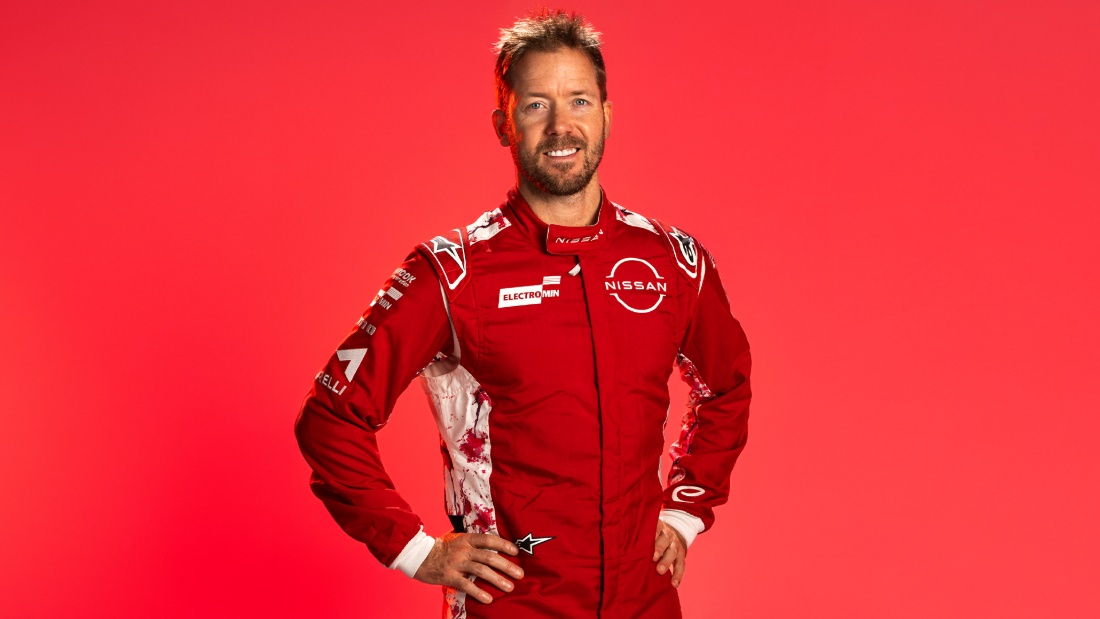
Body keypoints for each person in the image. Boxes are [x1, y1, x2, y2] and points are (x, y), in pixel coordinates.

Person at [294, 9, 752, 618]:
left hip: (645, 603)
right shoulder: (451, 272)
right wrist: (413, 550)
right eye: (537, 105)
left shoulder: (673, 260)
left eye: (579, 101)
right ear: (503, 125)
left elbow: (727, 387)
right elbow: (331, 417)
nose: (562, 125)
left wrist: (686, 510)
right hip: (511, 607)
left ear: (607, 114)